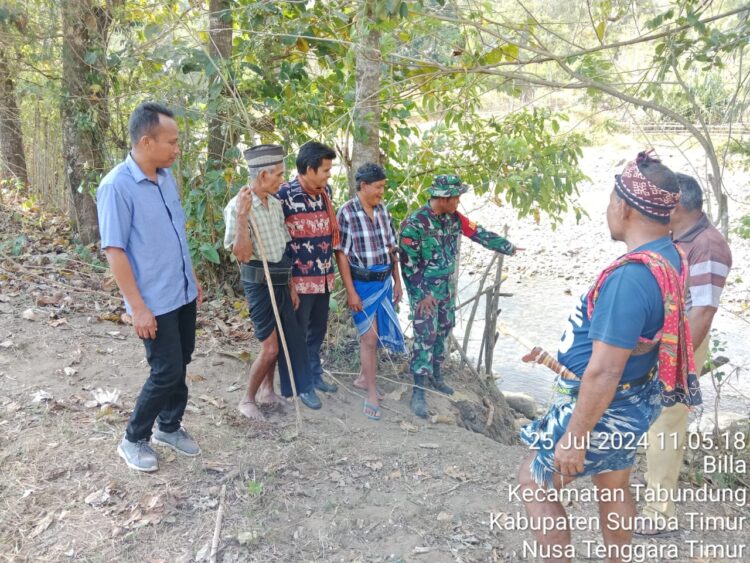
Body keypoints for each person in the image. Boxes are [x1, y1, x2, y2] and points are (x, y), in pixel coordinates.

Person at [517, 152, 700, 561]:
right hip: (635, 397)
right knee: (613, 483)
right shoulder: (670, 256)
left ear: (624, 207)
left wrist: (575, 437)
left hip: (606, 402)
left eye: (610, 201)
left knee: (535, 482)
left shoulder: (630, 278)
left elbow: (603, 371)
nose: (608, 210)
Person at [97, 102, 202, 473]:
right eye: (172, 142)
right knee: (166, 370)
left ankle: (169, 427)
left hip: (182, 291)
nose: (177, 149)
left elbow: (173, 234)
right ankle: (134, 438)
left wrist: (192, 278)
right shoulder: (116, 187)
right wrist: (136, 307)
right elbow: (115, 251)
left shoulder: (165, 176)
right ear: (146, 140)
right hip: (153, 300)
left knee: (182, 360)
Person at [637, 173, 732, 535]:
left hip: (683, 343)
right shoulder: (677, 236)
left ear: (675, 205)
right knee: (653, 417)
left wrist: (677, 361)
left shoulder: (708, 246)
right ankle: (649, 490)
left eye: (662, 201)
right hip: (664, 338)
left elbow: (704, 310)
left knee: (666, 422)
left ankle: (659, 511)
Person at [399, 174, 520, 418]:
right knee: (426, 334)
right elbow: (407, 264)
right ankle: (418, 390)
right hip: (425, 292)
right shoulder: (415, 223)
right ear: (443, 198)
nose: (458, 201)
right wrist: (422, 295)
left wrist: (506, 246)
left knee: (444, 328)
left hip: (446, 288)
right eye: (456, 197)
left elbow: (478, 233)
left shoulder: (454, 219)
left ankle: (436, 374)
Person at [223, 144, 322, 419]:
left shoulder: (276, 204)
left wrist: (290, 285)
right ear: (262, 176)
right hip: (259, 283)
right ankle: (247, 399)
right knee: (270, 348)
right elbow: (241, 255)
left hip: (280, 280)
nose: (282, 179)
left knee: (280, 341)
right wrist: (243, 216)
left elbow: (284, 249)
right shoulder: (238, 206)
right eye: (278, 174)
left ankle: (268, 392)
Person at [334, 163, 405, 420]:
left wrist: (397, 281)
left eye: (383, 187)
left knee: (375, 335)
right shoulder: (346, 213)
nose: (381, 192)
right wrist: (351, 292)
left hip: (384, 281)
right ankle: (372, 393)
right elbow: (341, 255)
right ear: (363, 186)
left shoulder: (383, 211)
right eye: (378, 187)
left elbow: (391, 247)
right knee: (369, 338)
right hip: (363, 285)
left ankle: (364, 379)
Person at [276, 141, 339, 395]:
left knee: (318, 330)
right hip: (299, 281)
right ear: (309, 169)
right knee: (297, 334)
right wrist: (289, 282)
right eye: (325, 170)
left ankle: (314, 375)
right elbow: (280, 242)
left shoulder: (326, 193)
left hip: (324, 276)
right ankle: (299, 385)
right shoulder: (284, 195)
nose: (329, 174)